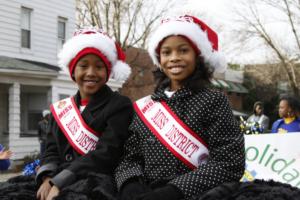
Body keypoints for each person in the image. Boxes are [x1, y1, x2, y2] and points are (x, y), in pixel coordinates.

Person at [114, 15, 245, 200]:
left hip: (197, 195)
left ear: (197, 56)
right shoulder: (145, 107)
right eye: (166, 53)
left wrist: (174, 191)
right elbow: (129, 156)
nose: (174, 58)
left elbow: (229, 162)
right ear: (159, 59)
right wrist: (130, 184)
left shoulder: (214, 101)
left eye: (183, 50)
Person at [0, 28, 133, 200]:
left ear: (107, 73)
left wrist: (60, 181)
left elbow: (106, 153)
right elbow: (51, 150)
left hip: (96, 179)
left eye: (99, 67)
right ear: (73, 71)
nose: (91, 72)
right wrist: (47, 177)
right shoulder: (61, 108)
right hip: (56, 176)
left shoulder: (119, 105)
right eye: (83, 66)